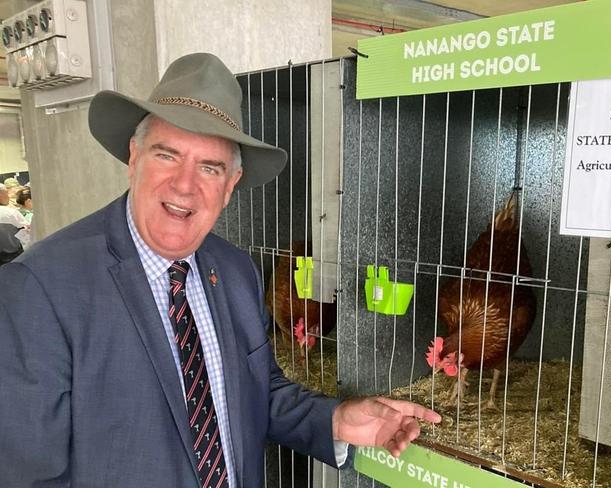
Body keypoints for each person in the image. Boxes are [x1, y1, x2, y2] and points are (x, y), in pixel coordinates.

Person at [0, 53, 440, 488]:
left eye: (209, 167)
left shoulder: (234, 270)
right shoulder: (41, 287)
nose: (185, 184)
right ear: (134, 157)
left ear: (230, 186)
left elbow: (256, 393)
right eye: (167, 155)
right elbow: (26, 473)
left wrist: (337, 420)